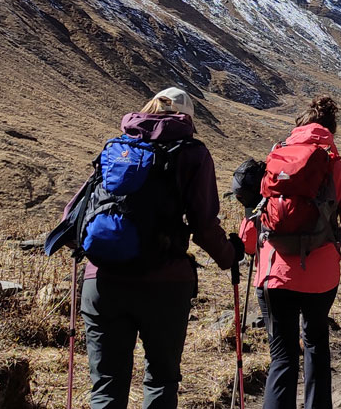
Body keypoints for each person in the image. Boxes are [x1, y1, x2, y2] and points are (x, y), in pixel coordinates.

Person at [76, 87, 245, 409]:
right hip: (164, 282)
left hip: (101, 280)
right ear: (187, 118)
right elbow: (204, 225)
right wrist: (230, 255)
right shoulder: (192, 152)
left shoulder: (117, 148)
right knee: (161, 379)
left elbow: (76, 213)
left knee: (106, 385)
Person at [240, 96, 341, 409]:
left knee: (282, 358)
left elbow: (255, 218)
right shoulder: (339, 170)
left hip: (273, 274)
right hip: (320, 279)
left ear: (298, 128)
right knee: (316, 344)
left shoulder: (275, 160)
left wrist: (249, 246)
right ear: (331, 131)